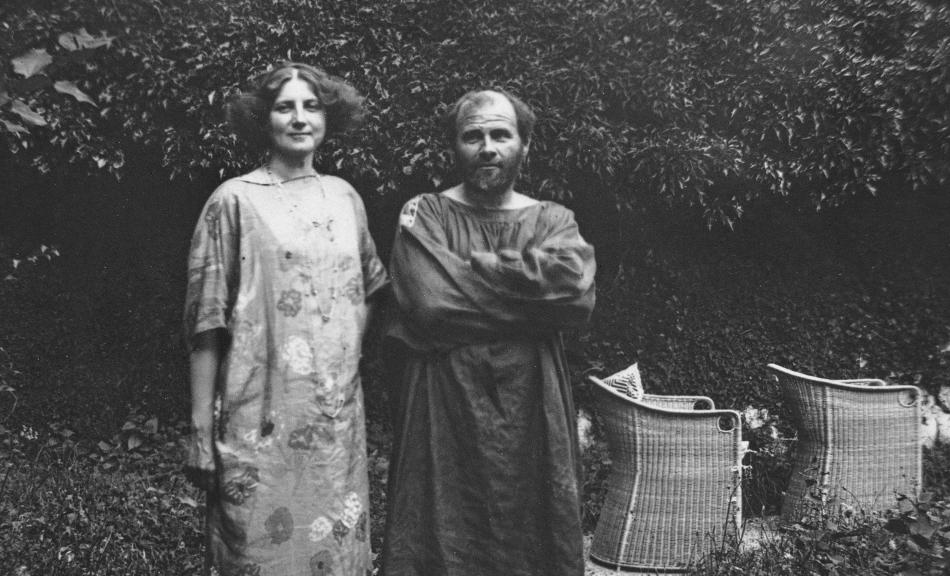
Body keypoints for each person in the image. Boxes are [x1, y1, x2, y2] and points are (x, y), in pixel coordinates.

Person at [183, 62, 388, 576]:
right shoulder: (233, 201)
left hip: (333, 425)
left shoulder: (345, 198)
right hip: (258, 419)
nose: (300, 118)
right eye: (285, 106)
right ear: (263, 118)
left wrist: (344, 358)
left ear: (328, 117)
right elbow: (205, 323)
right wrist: (199, 430)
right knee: (257, 548)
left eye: (311, 106)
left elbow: (369, 288)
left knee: (333, 551)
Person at [381, 89, 596, 576]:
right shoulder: (426, 214)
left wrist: (467, 272)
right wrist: (530, 302)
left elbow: (576, 297)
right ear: (454, 147)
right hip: (443, 400)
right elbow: (430, 303)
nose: (487, 146)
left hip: (532, 401)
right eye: (472, 135)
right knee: (440, 526)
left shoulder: (553, 219)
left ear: (525, 146)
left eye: (501, 134)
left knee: (533, 528)